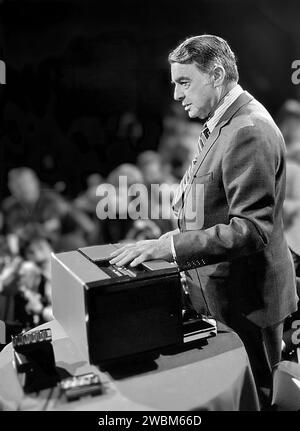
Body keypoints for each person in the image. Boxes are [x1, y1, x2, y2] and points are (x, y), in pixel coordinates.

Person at [109, 34, 298, 404]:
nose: (177, 95)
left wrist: (172, 246)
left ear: (216, 74)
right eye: (174, 84)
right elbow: (209, 199)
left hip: (249, 306)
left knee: (253, 398)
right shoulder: (222, 120)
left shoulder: (249, 131)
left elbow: (251, 231)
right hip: (221, 298)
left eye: (184, 82)